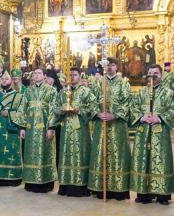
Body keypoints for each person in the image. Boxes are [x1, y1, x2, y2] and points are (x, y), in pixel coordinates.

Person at [131, 64, 174, 205]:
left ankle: (162, 195)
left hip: (160, 131)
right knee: (143, 161)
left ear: (161, 75)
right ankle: (144, 194)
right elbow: (133, 108)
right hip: (143, 131)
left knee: (161, 161)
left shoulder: (169, 93)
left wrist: (160, 118)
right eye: (150, 73)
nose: (152, 76)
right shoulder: (140, 93)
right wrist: (141, 117)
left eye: (156, 73)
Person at [88, 58, 133, 200]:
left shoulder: (124, 84)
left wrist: (115, 115)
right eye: (107, 65)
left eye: (112, 65)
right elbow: (92, 101)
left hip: (118, 126)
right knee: (101, 153)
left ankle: (119, 190)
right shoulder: (97, 84)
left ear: (117, 67)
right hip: (101, 125)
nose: (109, 68)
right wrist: (98, 113)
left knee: (118, 154)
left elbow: (127, 103)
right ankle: (100, 188)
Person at [51, 67, 93, 197]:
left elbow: (92, 109)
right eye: (71, 75)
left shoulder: (87, 92)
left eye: (75, 75)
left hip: (81, 129)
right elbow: (54, 107)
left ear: (80, 76)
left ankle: (82, 187)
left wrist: (79, 111)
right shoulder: (63, 92)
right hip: (66, 128)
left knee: (81, 155)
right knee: (66, 155)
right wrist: (61, 111)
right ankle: (65, 186)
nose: (73, 77)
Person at [18, 67, 57, 193]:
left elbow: (53, 110)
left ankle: (45, 183)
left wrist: (50, 128)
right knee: (30, 154)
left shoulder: (51, 91)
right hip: (30, 128)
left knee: (45, 153)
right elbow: (22, 109)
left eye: (39, 73)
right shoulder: (28, 91)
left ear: (45, 76)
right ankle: (30, 182)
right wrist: (22, 127)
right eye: (35, 73)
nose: (36, 75)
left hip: (44, 128)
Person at [0, 71, 24, 186]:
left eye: (6, 79)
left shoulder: (18, 96)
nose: (4, 81)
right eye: (2, 79)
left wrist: (10, 114)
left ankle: (14, 177)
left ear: (11, 81)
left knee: (12, 152)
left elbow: (22, 113)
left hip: (12, 130)